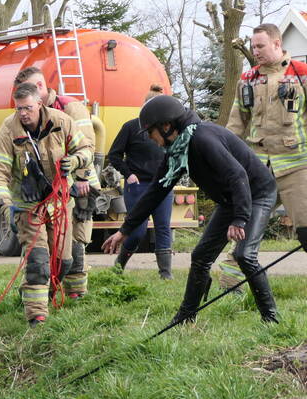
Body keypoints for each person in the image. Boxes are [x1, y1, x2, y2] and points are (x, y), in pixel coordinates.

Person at [102, 95, 279, 324]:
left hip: (256, 193)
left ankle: (271, 318)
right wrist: (125, 230)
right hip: (230, 199)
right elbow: (155, 192)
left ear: (166, 126)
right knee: (200, 257)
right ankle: (186, 317)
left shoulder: (202, 138)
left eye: (150, 132)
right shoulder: (178, 150)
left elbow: (238, 176)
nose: (149, 138)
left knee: (244, 255)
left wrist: (239, 219)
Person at [0, 81, 94, 327]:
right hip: (26, 208)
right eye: (19, 109)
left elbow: (87, 148)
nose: (23, 114)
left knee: (63, 260)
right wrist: (6, 206)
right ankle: (37, 317)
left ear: (39, 103)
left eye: (27, 108)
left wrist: (76, 161)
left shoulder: (61, 121)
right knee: (37, 259)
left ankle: (41, 294)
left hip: (59, 204)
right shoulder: (8, 130)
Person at [221, 23, 307, 291]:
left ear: (277, 43)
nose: (255, 51)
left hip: (297, 167)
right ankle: (229, 288)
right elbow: (235, 125)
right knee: (243, 230)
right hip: (258, 170)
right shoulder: (247, 80)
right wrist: (223, 159)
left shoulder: (302, 74)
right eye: (253, 46)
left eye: (260, 46)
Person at [14, 66, 99, 298]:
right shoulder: (36, 112)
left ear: (40, 87)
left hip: (80, 183)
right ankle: (50, 289)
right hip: (55, 188)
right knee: (53, 242)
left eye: (30, 88)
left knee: (76, 240)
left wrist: (81, 179)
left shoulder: (70, 107)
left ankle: (76, 295)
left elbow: (87, 146)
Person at [106, 84, 175, 279]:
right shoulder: (131, 127)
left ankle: (165, 274)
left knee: (163, 227)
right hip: (138, 186)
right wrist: (128, 174)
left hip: (162, 186)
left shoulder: (168, 130)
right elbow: (114, 155)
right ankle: (119, 265)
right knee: (137, 231)